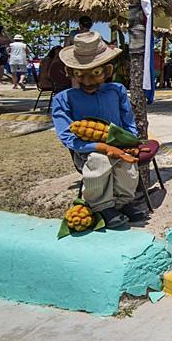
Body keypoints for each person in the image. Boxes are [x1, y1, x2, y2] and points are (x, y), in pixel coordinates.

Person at [51, 32, 148, 229]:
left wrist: (131, 143)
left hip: (120, 144)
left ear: (107, 69)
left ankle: (122, 203)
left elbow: (127, 121)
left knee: (127, 168)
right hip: (87, 151)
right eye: (80, 74)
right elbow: (67, 136)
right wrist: (100, 146)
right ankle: (102, 206)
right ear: (71, 72)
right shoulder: (63, 99)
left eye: (95, 73)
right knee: (100, 161)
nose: (87, 82)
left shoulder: (116, 91)